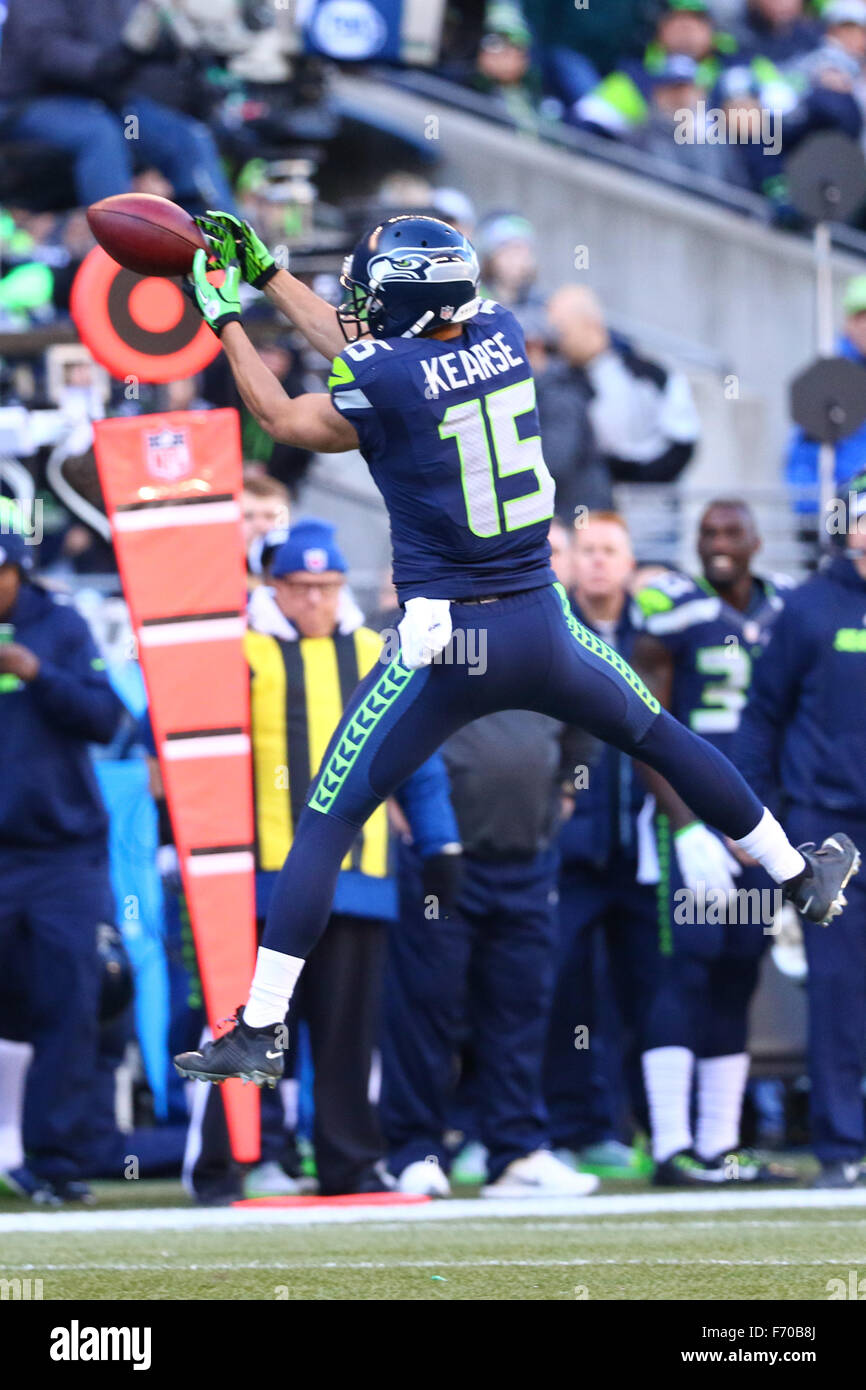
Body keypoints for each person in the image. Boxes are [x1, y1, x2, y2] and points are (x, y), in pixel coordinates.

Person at [172, 208, 859, 1091]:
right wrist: (267, 274)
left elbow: (281, 413)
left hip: (445, 637)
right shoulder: (494, 328)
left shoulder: (387, 378)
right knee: (662, 737)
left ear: (408, 308)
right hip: (543, 619)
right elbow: (366, 341)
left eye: (375, 294)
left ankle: (262, 1026)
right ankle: (799, 874)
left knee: (333, 817)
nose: (359, 305)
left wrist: (223, 317)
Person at [184, 519, 462, 1200]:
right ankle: (222, 1167)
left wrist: (440, 841)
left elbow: (416, 756)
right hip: (259, 881)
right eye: (301, 587)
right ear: (274, 586)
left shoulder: (378, 650)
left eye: (327, 586)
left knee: (348, 1034)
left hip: (360, 877)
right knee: (247, 1026)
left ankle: (349, 1163)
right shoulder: (239, 654)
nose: (314, 600)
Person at [631, 500, 797, 1184]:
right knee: (686, 970)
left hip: (761, 825)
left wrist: (776, 826)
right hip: (692, 824)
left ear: (757, 542)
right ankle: (672, 1148)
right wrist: (688, 822)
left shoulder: (785, 610)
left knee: (737, 973)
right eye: (707, 534)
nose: (718, 546)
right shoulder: (672, 607)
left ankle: (719, 1146)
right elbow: (639, 720)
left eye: (731, 534)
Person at [382, 701, 597, 1198]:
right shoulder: (428, 631)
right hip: (440, 856)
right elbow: (384, 719)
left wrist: (568, 787)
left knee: (521, 1007)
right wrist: (388, 799)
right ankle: (415, 1150)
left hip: (528, 859)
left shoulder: (549, 639)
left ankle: (516, 1150)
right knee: (426, 1005)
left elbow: (588, 721)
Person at [735, 473, 866, 1188]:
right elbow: (761, 717)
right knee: (840, 992)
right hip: (833, 834)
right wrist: (760, 817)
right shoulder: (809, 610)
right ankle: (842, 1149)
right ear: (849, 527)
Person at [0, 526, 124, 1200]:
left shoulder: (62, 626)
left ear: (17, 571)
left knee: (72, 1003)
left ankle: (53, 1164)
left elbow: (107, 718)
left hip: (61, 855)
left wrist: (37, 674)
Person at [543, 513, 662, 1176]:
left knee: (642, 990)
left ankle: (639, 1124)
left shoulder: (656, 634)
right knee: (563, 989)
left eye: (609, 550)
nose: (595, 562)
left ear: (630, 560)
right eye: (585, 550)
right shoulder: (554, 635)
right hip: (574, 845)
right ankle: (571, 1124)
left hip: (640, 851)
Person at [0, 0, 238, 215]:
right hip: (27, 105)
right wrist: (106, 63)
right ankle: (117, 251)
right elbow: (46, 50)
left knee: (183, 137)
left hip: (109, 104)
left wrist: (163, 48)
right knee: (99, 134)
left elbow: (129, 57)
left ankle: (221, 243)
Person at [537, 285, 699, 522]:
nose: (556, 341)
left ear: (589, 324)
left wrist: (628, 473)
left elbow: (683, 442)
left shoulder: (647, 375)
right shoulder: (557, 381)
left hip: (650, 511)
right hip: (590, 514)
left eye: (562, 330)